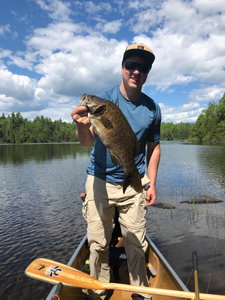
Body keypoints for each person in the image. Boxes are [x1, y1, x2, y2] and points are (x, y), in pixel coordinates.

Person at [71, 43, 161, 300]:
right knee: (98, 244)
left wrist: (152, 183)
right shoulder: (104, 101)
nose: (136, 71)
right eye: (131, 65)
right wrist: (79, 125)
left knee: (136, 244)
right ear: (122, 68)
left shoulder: (152, 109)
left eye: (142, 68)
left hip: (135, 179)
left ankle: (139, 293)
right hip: (100, 181)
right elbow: (87, 141)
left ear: (147, 73)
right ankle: (99, 292)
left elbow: (153, 148)